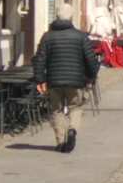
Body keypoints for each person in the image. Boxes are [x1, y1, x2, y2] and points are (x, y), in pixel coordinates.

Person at [30, 13, 98, 154]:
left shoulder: (47, 37)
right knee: (76, 107)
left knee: (57, 110)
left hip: (54, 80)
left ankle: (60, 142)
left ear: (56, 17)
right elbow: (91, 59)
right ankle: (72, 129)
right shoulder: (81, 36)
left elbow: (39, 59)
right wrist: (91, 76)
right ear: (71, 18)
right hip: (76, 81)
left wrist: (40, 79)